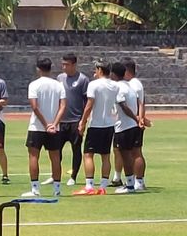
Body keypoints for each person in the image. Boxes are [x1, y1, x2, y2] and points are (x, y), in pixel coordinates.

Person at [73, 61, 119, 196]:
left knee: (88, 154)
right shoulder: (115, 85)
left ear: (99, 70)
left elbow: (89, 104)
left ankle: (89, 186)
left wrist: (83, 121)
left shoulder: (93, 84)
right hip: (109, 124)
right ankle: (103, 186)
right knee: (105, 156)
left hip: (96, 124)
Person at [22, 57, 66, 197]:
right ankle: (57, 189)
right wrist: (54, 123)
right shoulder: (58, 85)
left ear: (38, 69)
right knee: (55, 157)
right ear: (50, 68)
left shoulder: (34, 84)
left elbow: (34, 106)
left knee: (34, 156)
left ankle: (35, 189)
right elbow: (63, 106)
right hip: (54, 127)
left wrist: (46, 124)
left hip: (37, 126)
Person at [48, 53, 89, 187]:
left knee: (76, 149)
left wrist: (83, 121)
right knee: (56, 149)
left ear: (74, 65)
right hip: (61, 121)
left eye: (66, 64)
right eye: (63, 64)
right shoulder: (60, 78)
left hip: (75, 120)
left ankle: (73, 176)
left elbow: (86, 101)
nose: (64, 67)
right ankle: (54, 175)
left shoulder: (83, 80)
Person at [115, 57, 148, 190]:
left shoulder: (132, 84)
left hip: (130, 123)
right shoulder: (133, 84)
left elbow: (140, 103)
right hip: (134, 122)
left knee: (132, 153)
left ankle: (135, 182)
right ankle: (137, 181)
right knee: (134, 153)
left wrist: (139, 118)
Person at [110, 62, 143, 194]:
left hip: (124, 126)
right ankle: (132, 182)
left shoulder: (118, 87)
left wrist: (135, 118)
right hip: (132, 126)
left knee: (125, 156)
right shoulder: (130, 86)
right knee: (131, 154)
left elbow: (123, 106)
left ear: (113, 74)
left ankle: (129, 185)